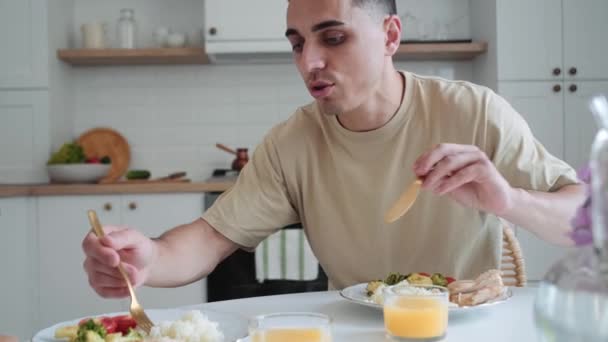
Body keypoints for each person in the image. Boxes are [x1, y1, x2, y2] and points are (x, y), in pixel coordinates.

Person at [82, 0, 585, 297]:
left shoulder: (474, 112)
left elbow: (587, 218)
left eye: (334, 38)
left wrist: (508, 202)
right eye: (298, 44)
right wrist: (148, 257)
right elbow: (209, 241)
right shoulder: (291, 144)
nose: (310, 63)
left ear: (390, 35)